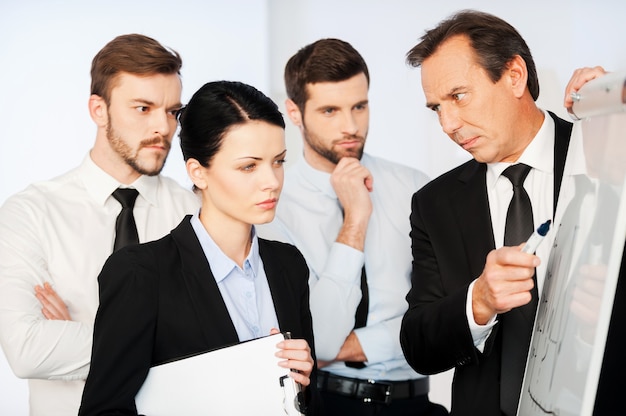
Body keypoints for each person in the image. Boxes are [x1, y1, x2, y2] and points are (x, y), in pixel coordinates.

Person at [78, 80, 318, 415]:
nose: (272, 181)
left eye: (278, 161)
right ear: (198, 172)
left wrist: (303, 379)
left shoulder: (288, 264)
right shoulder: (142, 273)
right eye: (249, 165)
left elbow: (304, 401)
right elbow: (103, 411)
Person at [0, 34, 200, 416]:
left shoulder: (193, 213)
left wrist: (84, 332)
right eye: (143, 108)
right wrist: (167, 337)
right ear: (99, 109)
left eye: (173, 111)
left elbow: (221, 341)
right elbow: (26, 349)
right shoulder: (30, 213)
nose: (163, 127)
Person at [399, 10, 579, 416]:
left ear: (514, 75)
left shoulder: (605, 155)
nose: (448, 123)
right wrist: (477, 302)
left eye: (458, 96)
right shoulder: (433, 204)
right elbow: (418, 345)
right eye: (436, 108)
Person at [257, 38, 448, 415]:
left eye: (359, 106)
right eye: (330, 110)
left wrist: (347, 348)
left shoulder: (415, 188)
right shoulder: (273, 208)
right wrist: (356, 219)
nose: (350, 126)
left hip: (417, 403)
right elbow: (322, 339)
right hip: (324, 405)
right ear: (294, 113)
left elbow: (442, 318)